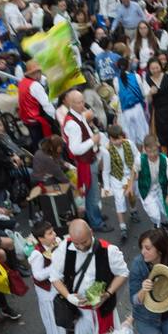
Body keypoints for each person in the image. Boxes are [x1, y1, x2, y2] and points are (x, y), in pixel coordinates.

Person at [50, 218, 129, 334]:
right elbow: (54, 277)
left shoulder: (108, 250)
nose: (80, 247)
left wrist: (107, 294)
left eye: (84, 242)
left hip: (104, 310)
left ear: (91, 233)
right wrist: (68, 297)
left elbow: (122, 273)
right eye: (76, 243)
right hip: (81, 314)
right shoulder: (64, 249)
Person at [61, 89, 109, 233]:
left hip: (88, 159)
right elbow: (75, 149)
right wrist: (92, 141)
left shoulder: (76, 116)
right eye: (79, 102)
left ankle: (94, 216)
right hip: (86, 162)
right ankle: (96, 222)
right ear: (71, 103)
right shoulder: (72, 124)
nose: (83, 104)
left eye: (82, 101)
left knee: (91, 191)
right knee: (92, 192)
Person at [28, 220, 67, 334]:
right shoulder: (37, 254)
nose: (54, 235)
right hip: (48, 290)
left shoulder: (58, 242)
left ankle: (67, 324)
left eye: (53, 231)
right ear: (41, 239)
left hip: (60, 284)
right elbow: (38, 275)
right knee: (53, 312)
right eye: (50, 234)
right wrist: (55, 267)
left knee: (64, 307)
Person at [137, 135, 168, 230]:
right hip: (146, 190)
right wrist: (131, 184)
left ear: (158, 146)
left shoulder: (164, 159)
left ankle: (163, 224)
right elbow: (134, 171)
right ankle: (157, 225)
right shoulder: (140, 160)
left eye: (155, 151)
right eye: (149, 152)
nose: (152, 154)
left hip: (161, 188)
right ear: (145, 149)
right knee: (154, 214)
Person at [102, 124, 140, 244]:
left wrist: (137, 168)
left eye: (119, 138)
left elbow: (137, 156)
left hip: (130, 174)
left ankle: (133, 210)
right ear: (110, 138)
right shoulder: (107, 150)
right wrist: (107, 186)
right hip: (116, 178)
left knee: (132, 195)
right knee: (119, 200)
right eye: (115, 139)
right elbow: (106, 170)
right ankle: (122, 226)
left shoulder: (129, 143)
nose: (118, 141)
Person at [17, 60, 57, 152]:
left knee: (36, 142)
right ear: (35, 73)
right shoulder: (35, 85)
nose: (41, 74)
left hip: (26, 119)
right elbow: (47, 105)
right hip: (36, 120)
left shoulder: (22, 82)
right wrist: (56, 119)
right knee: (45, 142)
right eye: (39, 72)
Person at [145, 57, 168, 156]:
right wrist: (150, 93)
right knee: (162, 138)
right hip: (159, 112)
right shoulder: (147, 80)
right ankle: (165, 159)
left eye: (157, 67)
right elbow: (148, 101)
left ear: (161, 66)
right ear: (149, 69)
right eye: (152, 68)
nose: (155, 70)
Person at [113, 58, 150, 148]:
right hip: (137, 108)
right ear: (128, 66)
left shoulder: (115, 80)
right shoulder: (136, 76)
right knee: (142, 134)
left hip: (126, 111)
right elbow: (143, 92)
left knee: (131, 137)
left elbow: (118, 94)